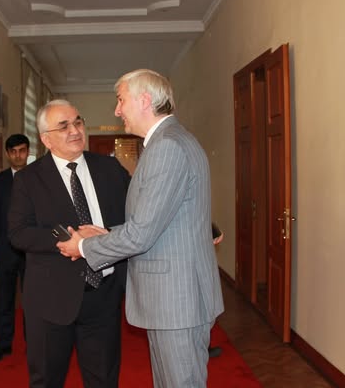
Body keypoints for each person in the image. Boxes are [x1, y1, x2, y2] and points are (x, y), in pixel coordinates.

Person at [57, 69, 224, 388]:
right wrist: (107, 235)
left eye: (121, 100)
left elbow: (142, 234)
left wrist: (83, 246)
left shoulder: (167, 147)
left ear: (144, 100)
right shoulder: (169, 141)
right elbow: (161, 220)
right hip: (175, 298)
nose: (117, 110)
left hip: (177, 300)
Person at [8, 100, 131, 388]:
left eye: (78, 122)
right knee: (47, 380)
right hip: (51, 299)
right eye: (63, 126)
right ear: (46, 139)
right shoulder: (28, 179)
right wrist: (68, 240)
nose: (75, 130)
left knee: (104, 380)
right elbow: (18, 232)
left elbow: (141, 215)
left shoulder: (110, 168)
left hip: (103, 295)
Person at [0, 134, 30, 362]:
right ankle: (4, 344)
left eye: (22, 150)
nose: (18, 156)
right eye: (14, 152)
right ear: (8, 154)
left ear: (28, 151)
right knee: (5, 301)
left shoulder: (38, 178)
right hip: (5, 250)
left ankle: (33, 344)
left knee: (32, 301)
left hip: (32, 251)